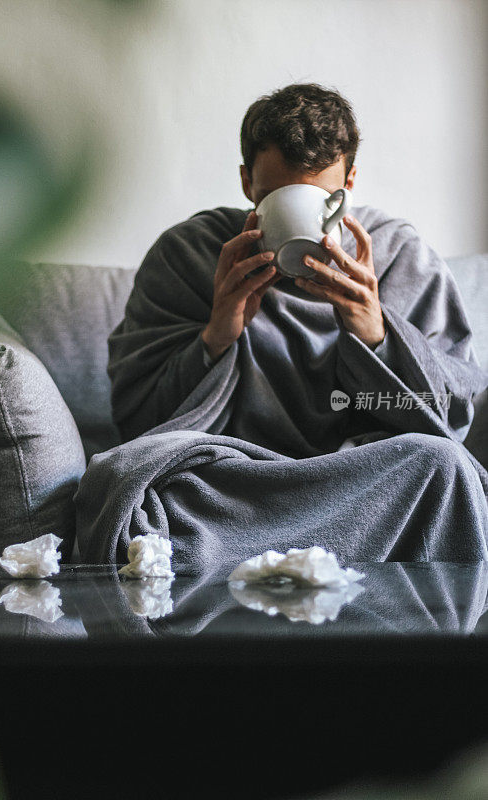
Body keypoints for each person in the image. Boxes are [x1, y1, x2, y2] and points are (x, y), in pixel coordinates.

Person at [73, 83, 488, 567]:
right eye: (273, 196)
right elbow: (137, 418)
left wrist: (377, 337)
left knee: (442, 465)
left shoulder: (397, 255)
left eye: (322, 200)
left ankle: (249, 556)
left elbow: (453, 416)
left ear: (349, 183)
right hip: (234, 481)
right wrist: (217, 337)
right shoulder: (187, 254)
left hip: (354, 477)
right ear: (248, 182)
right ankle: (327, 555)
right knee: (123, 481)